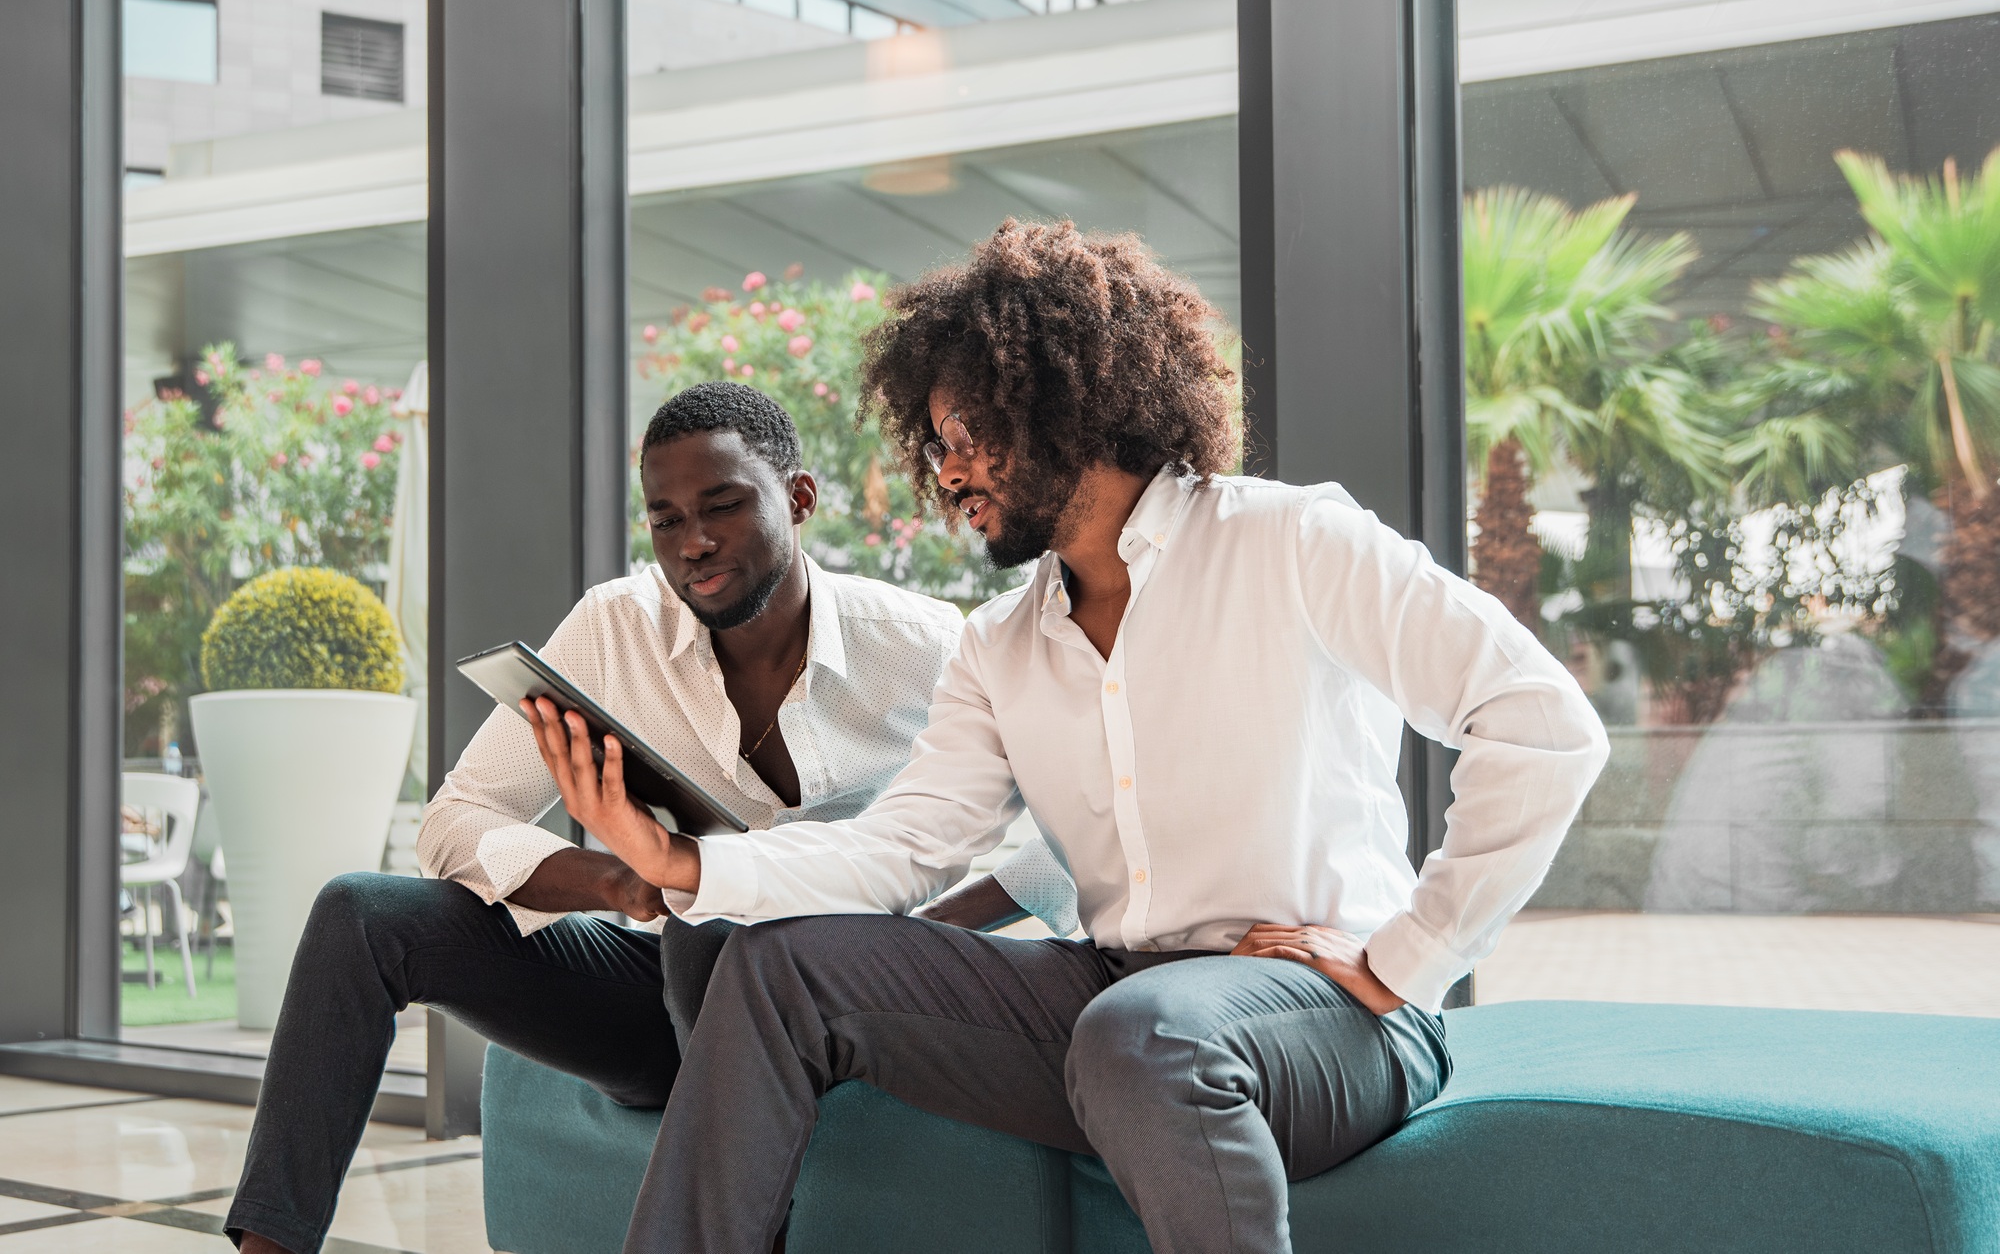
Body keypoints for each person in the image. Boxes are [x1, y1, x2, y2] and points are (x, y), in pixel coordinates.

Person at [533, 222, 1612, 1254]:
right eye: (934, 445)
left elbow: (1541, 721)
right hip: (1115, 999)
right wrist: (674, 859)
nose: (946, 475)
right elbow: (904, 846)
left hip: (1326, 1019)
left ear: (1063, 407)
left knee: (1143, 1031)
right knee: (778, 968)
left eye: (967, 439)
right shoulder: (1000, 644)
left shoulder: (1289, 541)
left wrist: (1407, 956)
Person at [225, 382, 1074, 1254]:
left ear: (800, 497)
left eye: (724, 506)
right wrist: (624, 877)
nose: (693, 543)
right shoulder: (614, 627)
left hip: (848, 1002)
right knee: (362, 915)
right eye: (665, 519)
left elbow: (1061, 834)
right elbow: (455, 818)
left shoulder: (923, 643)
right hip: (672, 983)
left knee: (728, 929)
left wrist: (913, 927)